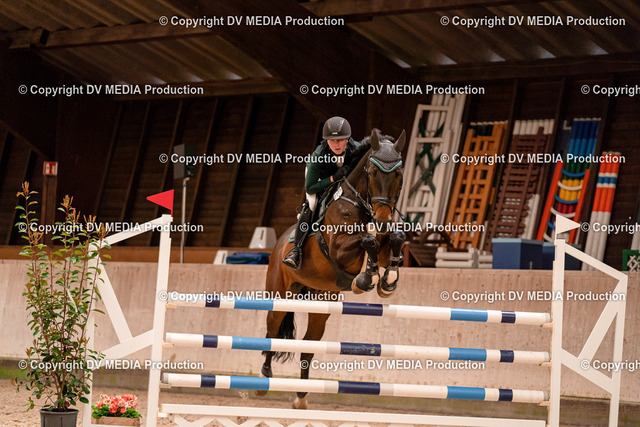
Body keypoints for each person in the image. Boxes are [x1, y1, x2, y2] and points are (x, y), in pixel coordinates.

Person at [283, 116, 367, 270]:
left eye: (340, 140)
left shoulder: (357, 149)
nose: (336, 144)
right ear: (326, 140)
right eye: (332, 140)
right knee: (311, 204)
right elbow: (310, 188)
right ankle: (296, 251)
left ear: (347, 139)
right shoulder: (318, 156)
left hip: (345, 183)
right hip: (320, 180)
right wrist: (332, 178)